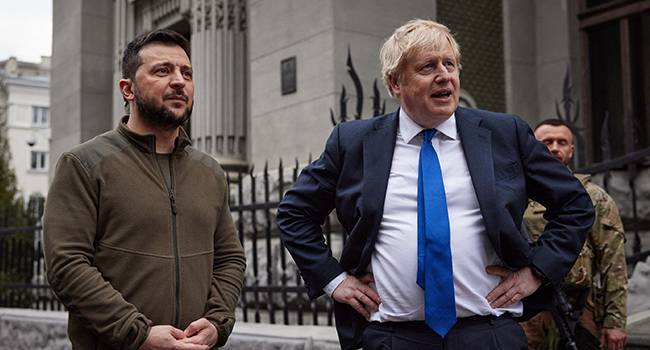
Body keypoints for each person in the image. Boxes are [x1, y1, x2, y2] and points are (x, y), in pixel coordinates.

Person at [276, 19, 595, 350]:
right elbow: (295, 214)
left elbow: (574, 204)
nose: (444, 76)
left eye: (450, 64)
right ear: (395, 82)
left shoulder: (504, 133)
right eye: (427, 67)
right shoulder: (353, 142)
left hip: (489, 334)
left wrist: (538, 271)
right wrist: (333, 280)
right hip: (392, 337)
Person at [43, 29, 246, 350]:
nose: (179, 81)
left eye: (187, 73)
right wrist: (136, 333)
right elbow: (67, 263)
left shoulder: (210, 172)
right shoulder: (84, 163)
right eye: (162, 71)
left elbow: (230, 257)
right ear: (128, 89)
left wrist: (218, 321)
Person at [520, 119, 628, 350]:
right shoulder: (516, 194)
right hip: (525, 312)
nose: (555, 147)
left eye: (562, 142)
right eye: (547, 141)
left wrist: (615, 321)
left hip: (578, 308)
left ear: (571, 150)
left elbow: (613, 263)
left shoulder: (593, 197)